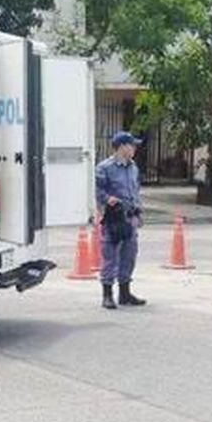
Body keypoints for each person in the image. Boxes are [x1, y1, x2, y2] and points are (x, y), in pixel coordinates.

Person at [96, 131, 146, 310]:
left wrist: (139, 213)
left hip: (130, 218)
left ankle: (125, 293)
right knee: (110, 256)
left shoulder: (133, 167)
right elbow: (96, 190)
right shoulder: (105, 168)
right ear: (122, 147)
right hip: (113, 219)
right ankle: (107, 294)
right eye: (131, 145)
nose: (134, 149)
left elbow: (135, 192)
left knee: (129, 255)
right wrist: (107, 199)